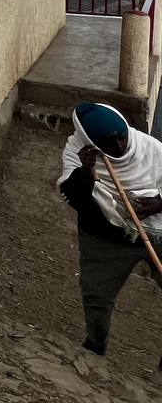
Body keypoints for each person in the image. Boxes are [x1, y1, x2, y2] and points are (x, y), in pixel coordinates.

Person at [58, 101, 162, 360]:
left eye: (121, 137)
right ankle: (95, 346)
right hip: (105, 237)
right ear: (91, 142)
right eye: (108, 142)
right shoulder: (77, 154)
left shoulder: (152, 149)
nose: (119, 146)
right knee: (97, 295)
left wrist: (159, 203)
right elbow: (76, 199)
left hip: (159, 231)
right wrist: (87, 171)